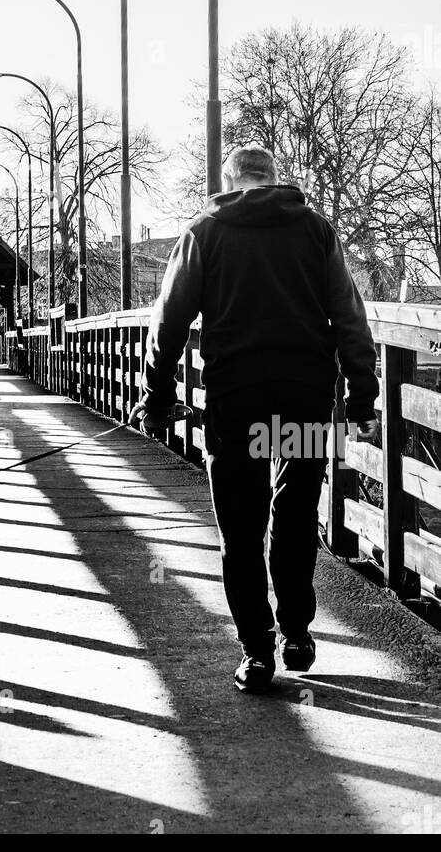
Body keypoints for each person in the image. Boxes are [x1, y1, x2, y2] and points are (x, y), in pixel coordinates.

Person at [134, 145, 379, 694]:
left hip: (236, 399)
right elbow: (349, 316)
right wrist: (362, 396)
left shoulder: (205, 231)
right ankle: (296, 630)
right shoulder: (315, 230)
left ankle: (256, 652)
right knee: (294, 512)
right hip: (304, 397)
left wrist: (156, 394)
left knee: (241, 530)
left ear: (230, 180)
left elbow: (168, 320)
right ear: (274, 180)